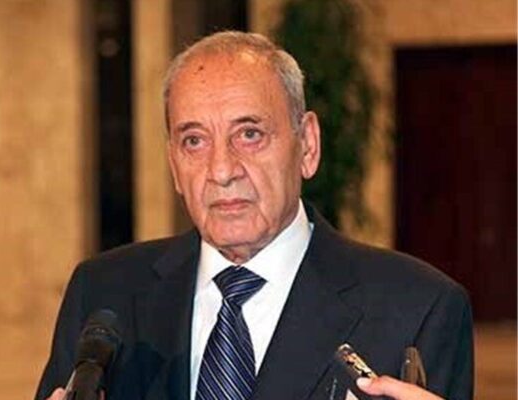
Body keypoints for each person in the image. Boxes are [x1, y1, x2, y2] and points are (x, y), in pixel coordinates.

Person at [36, 31, 473, 400]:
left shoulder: (418, 308)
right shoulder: (104, 293)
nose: (222, 170)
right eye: (194, 141)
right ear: (173, 165)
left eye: (249, 134)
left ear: (307, 146)